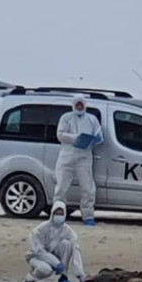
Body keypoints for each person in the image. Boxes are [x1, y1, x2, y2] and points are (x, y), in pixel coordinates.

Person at [53, 94, 104, 226]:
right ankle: (57, 215)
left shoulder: (92, 119)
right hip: (67, 156)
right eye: (77, 104)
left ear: (85, 105)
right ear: (73, 105)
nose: (80, 107)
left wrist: (95, 139)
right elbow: (60, 135)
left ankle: (88, 216)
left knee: (88, 188)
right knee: (61, 188)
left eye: (82, 104)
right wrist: (77, 138)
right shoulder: (66, 118)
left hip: (84, 157)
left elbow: (99, 135)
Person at [25, 201, 85, 282]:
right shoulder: (40, 229)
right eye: (57, 213)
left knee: (66, 244)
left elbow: (76, 248)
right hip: (37, 257)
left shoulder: (67, 230)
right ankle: (30, 278)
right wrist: (56, 263)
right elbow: (38, 250)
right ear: (52, 213)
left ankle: (64, 276)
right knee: (46, 269)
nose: (59, 216)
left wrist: (80, 274)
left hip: (55, 257)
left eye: (61, 213)